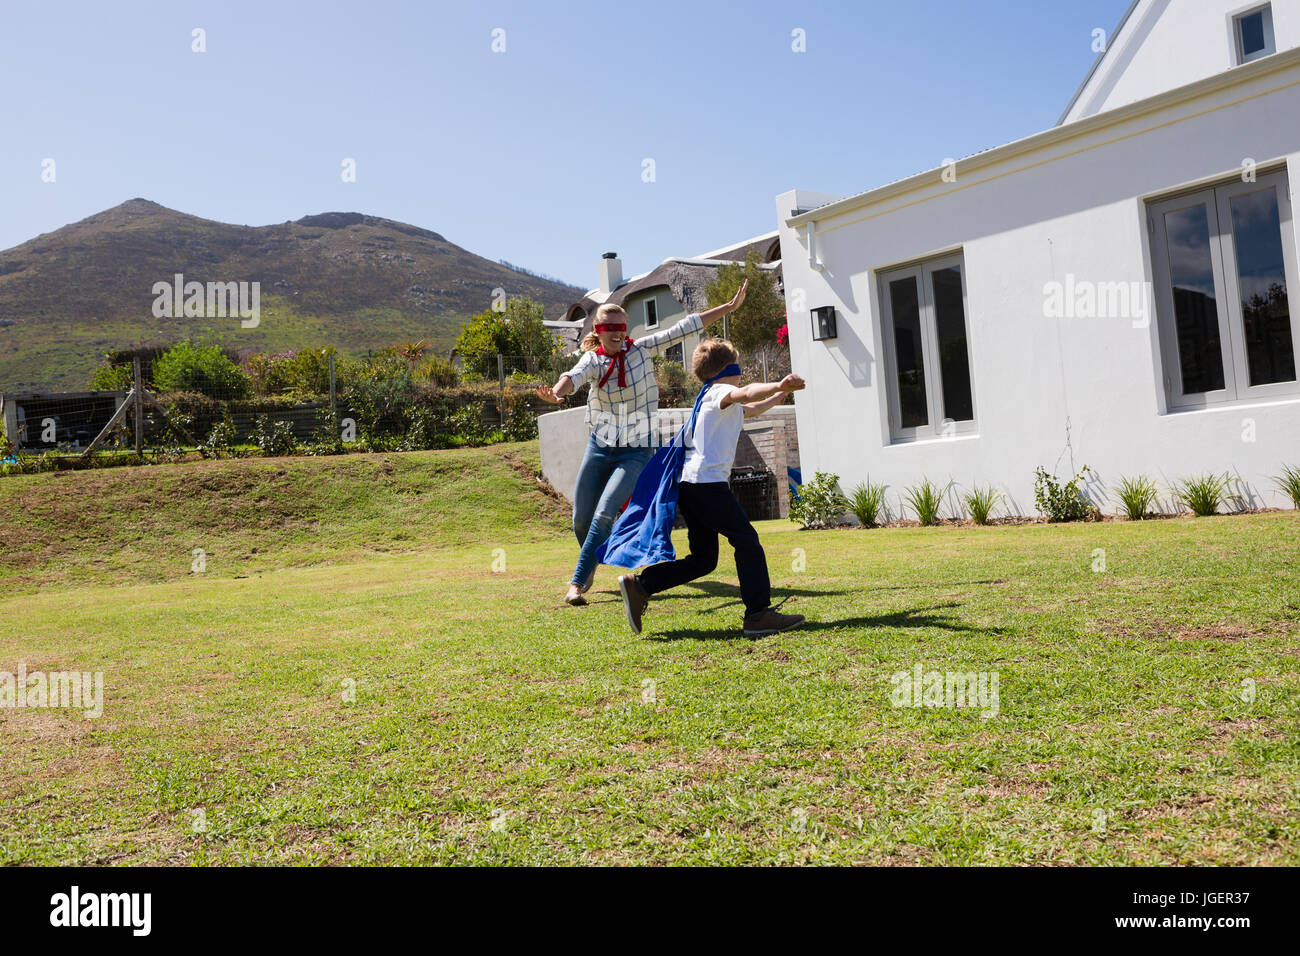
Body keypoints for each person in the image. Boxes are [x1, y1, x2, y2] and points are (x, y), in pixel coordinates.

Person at [536, 281, 749, 606]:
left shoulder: (640, 350)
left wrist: (727, 309)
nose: (619, 333)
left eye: (622, 327)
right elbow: (572, 376)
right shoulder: (593, 360)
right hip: (601, 444)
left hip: (637, 449)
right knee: (581, 518)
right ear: (599, 330)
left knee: (605, 513)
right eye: (611, 328)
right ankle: (593, 561)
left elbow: (683, 328)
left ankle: (577, 584)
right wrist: (556, 392)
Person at [616, 336, 807, 637]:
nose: (742, 372)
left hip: (692, 485)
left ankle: (641, 585)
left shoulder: (710, 397)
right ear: (728, 369)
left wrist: (782, 393)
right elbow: (745, 393)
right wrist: (778, 384)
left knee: (704, 560)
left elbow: (752, 407)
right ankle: (758, 615)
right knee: (747, 540)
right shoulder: (721, 390)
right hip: (707, 485)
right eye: (739, 366)